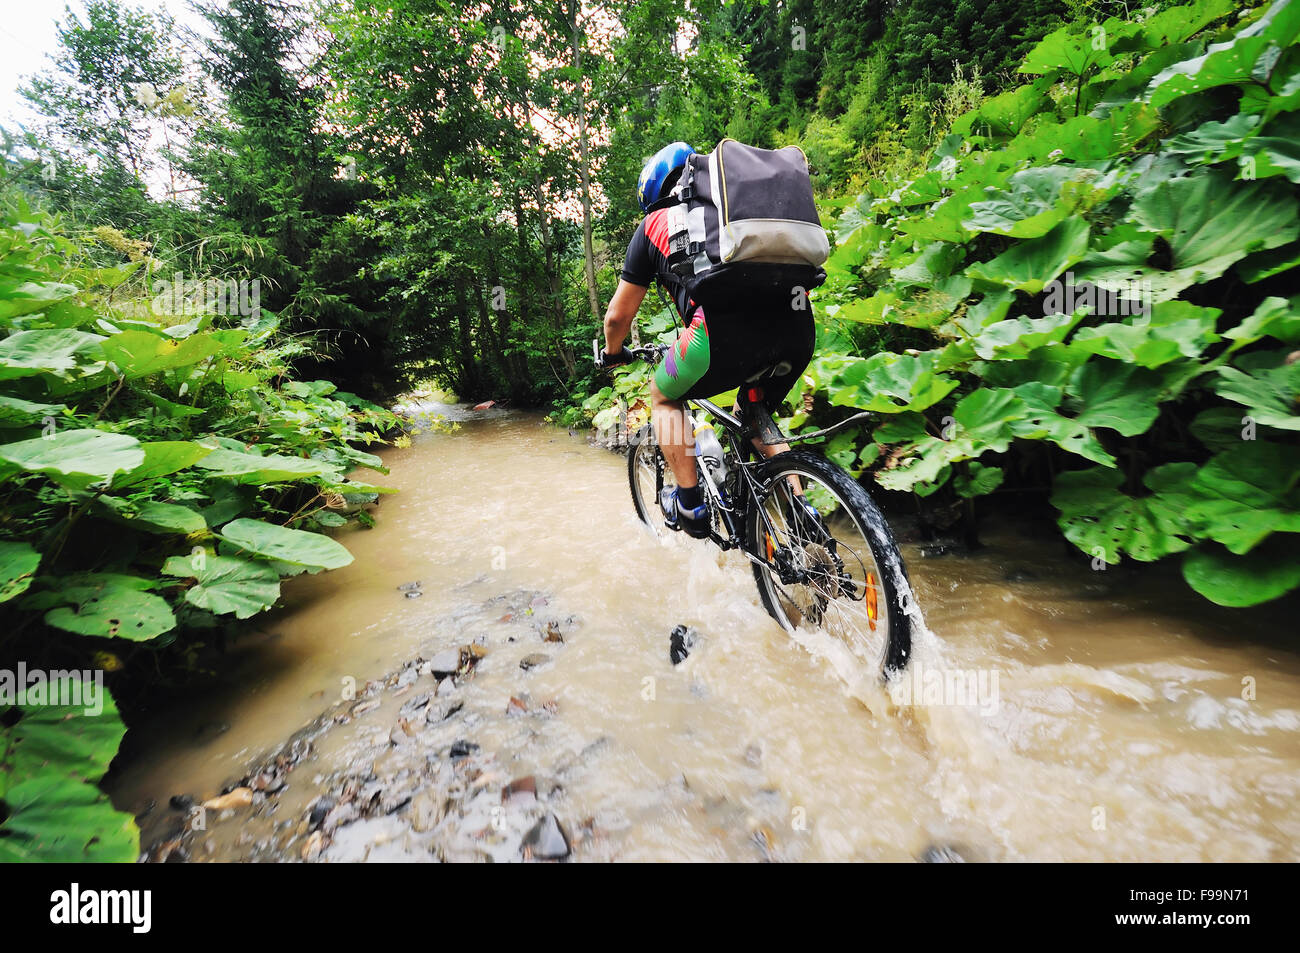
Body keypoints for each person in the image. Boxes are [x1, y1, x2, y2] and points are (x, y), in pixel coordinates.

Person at [599, 141, 816, 538]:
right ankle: (802, 514)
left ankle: (691, 505)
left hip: (722, 334)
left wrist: (613, 354)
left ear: (652, 195)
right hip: (798, 330)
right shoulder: (730, 216)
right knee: (755, 411)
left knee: (663, 394)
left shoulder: (654, 225)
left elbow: (617, 317)